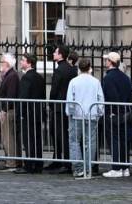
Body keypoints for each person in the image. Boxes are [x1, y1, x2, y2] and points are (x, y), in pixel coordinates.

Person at [66, 58, 104, 179]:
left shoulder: (74, 81)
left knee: (74, 141)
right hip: (91, 115)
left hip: (77, 115)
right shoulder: (95, 81)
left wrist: (69, 112)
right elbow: (100, 99)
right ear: (89, 68)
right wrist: (100, 112)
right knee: (90, 142)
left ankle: (78, 168)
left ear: (79, 68)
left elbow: (70, 99)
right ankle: (88, 168)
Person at [101, 51, 132, 178]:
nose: (105, 62)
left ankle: (116, 167)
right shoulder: (125, 77)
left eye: (106, 60)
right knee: (124, 141)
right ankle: (125, 167)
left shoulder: (108, 77)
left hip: (114, 114)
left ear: (110, 62)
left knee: (114, 140)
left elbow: (111, 96)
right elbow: (131, 95)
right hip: (126, 113)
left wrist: (113, 112)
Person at [46, 45, 77, 174]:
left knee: (60, 135)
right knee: (62, 134)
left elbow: (54, 89)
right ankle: (58, 159)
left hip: (59, 107)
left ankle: (65, 162)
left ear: (61, 55)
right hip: (67, 106)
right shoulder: (71, 69)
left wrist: (51, 102)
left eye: (55, 52)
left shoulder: (60, 70)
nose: (53, 53)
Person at [15, 53, 45, 174]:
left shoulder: (27, 77)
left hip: (28, 113)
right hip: (37, 112)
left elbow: (23, 97)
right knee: (37, 139)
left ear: (29, 63)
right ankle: (38, 164)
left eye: (23, 60)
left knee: (29, 140)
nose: (21, 62)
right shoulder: (39, 77)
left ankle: (29, 165)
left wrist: (19, 113)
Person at [0, 52, 20, 172]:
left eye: (2, 62)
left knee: (8, 137)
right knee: (6, 136)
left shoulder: (12, 76)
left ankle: (11, 162)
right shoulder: (8, 75)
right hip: (6, 110)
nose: (1, 64)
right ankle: (11, 160)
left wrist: (4, 110)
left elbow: (10, 96)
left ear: (7, 63)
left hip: (8, 111)